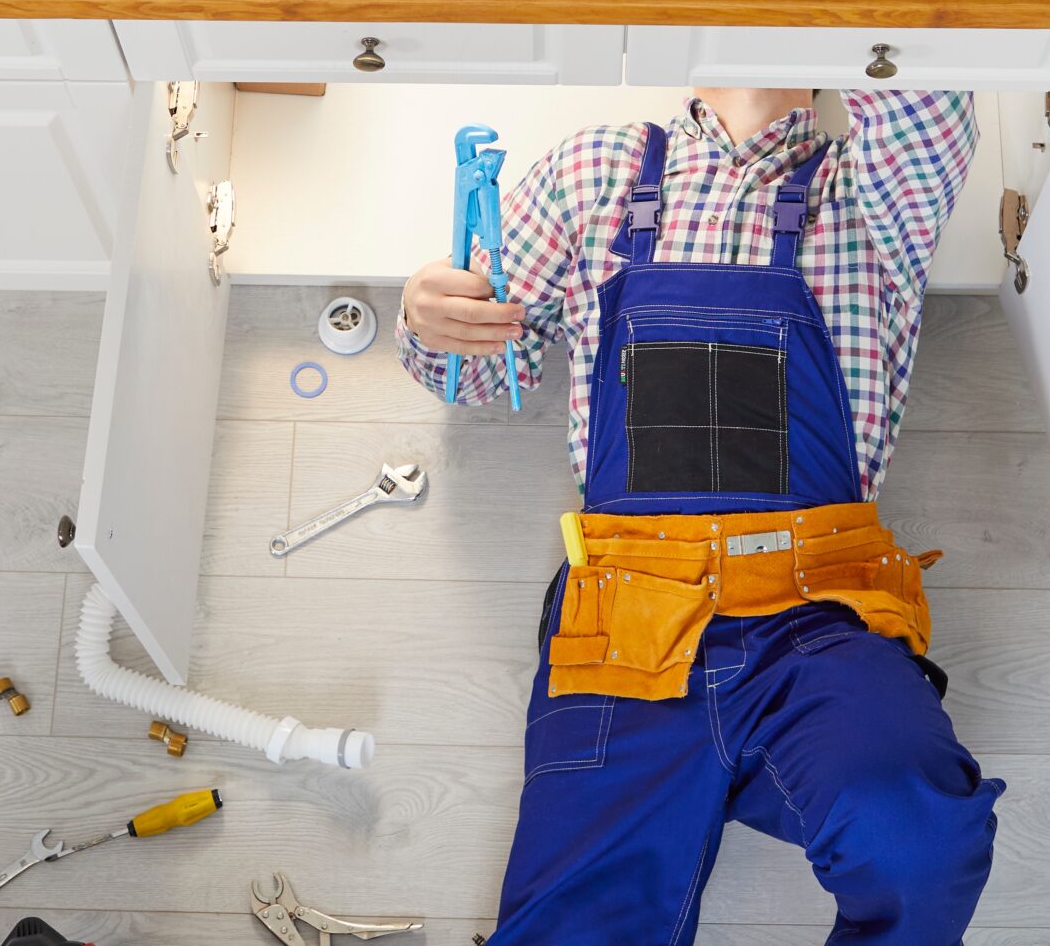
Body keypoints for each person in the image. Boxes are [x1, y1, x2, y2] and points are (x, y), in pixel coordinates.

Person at [398, 87, 1003, 945]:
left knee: (923, 841)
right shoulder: (594, 169)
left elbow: (927, 90)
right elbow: (489, 372)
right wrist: (431, 315)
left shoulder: (870, 187)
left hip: (818, 623)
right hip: (628, 628)